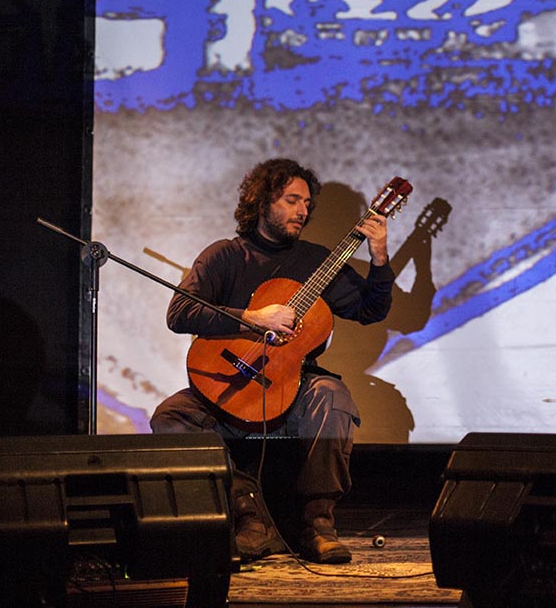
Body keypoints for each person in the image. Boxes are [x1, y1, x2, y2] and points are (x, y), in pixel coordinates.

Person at [150, 158, 394, 564]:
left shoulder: (317, 262)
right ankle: (250, 517)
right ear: (261, 202)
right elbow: (180, 314)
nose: (302, 210)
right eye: (291, 200)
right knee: (170, 416)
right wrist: (253, 318)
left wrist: (380, 255)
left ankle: (318, 525)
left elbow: (371, 309)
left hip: (292, 389)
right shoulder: (225, 256)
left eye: (307, 203)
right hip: (228, 386)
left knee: (332, 396)